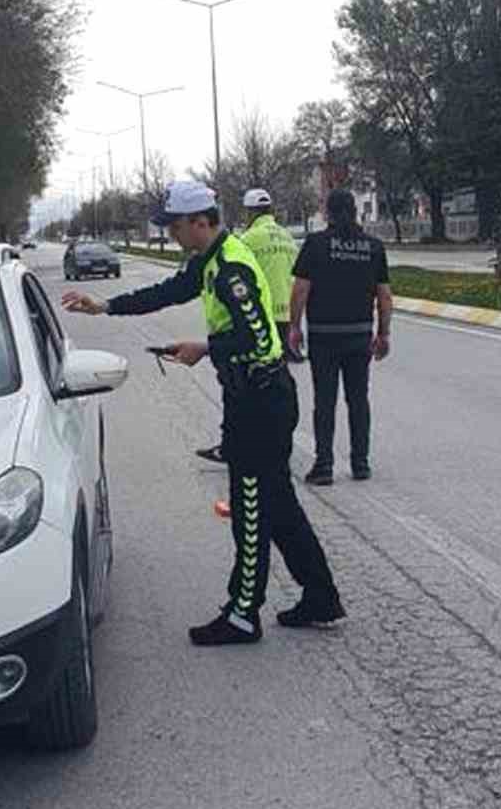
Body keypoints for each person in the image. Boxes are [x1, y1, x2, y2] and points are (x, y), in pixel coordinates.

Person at [62, 179, 345, 643]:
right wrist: (106, 306)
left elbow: (254, 338)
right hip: (256, 397)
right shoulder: (211, 259)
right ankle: (320, 595)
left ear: (200, 221)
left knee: (251, 510)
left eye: (174, 226)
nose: (171, 234)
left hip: (259, 402)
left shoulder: (231, 266)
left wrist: (203, 348)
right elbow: (170, 291)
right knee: (280, 506)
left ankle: (242, 614)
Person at [288, 188, 392, 486]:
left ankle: (324, 466)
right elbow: (384, 296)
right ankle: (361, 464)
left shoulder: (316, 244)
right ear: (355, 212)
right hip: (359, 334)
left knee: (325, 401)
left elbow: (300, 290)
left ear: (327, 213)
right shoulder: (373, 247)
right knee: (358, 400)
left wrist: (294, 327)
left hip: (323, 335)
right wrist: (383, 333)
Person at [195, 185, 301, 465]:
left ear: (250, 211)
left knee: (241, 381)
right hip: (285, 314)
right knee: (275, 373)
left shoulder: (248, 239)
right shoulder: (288, 238)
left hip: (258, 313)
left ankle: (235, 445)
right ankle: (274, 439)